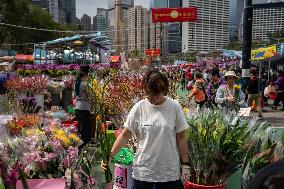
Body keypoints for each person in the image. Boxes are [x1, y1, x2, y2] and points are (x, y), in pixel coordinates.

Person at [101, 70, 190, 189]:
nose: (152, 98)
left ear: (164, 90)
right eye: (149, 94)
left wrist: (185, 164)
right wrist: (109, 156)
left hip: (169, 172)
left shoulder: (174, 107)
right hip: (143, 172)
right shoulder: (139, 108)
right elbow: (125, 135)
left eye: (156, 94)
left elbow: (181, 137)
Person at [74, 64, 92, 149]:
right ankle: (83, 147)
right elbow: (89, 96)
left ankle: (79, 145)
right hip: (85, 108)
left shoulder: (77, 82)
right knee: (85, 129)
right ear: (86, 74)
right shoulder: (85, 84)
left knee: (81, 128)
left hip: (78, 107)